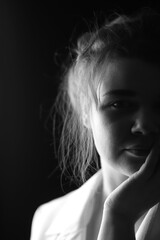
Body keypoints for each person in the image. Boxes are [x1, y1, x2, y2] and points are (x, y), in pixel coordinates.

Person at [30, 8, 160, 240]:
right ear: (84, 113)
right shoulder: (48, 219)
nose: (145, 125)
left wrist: (120, 216)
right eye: (119, 104)